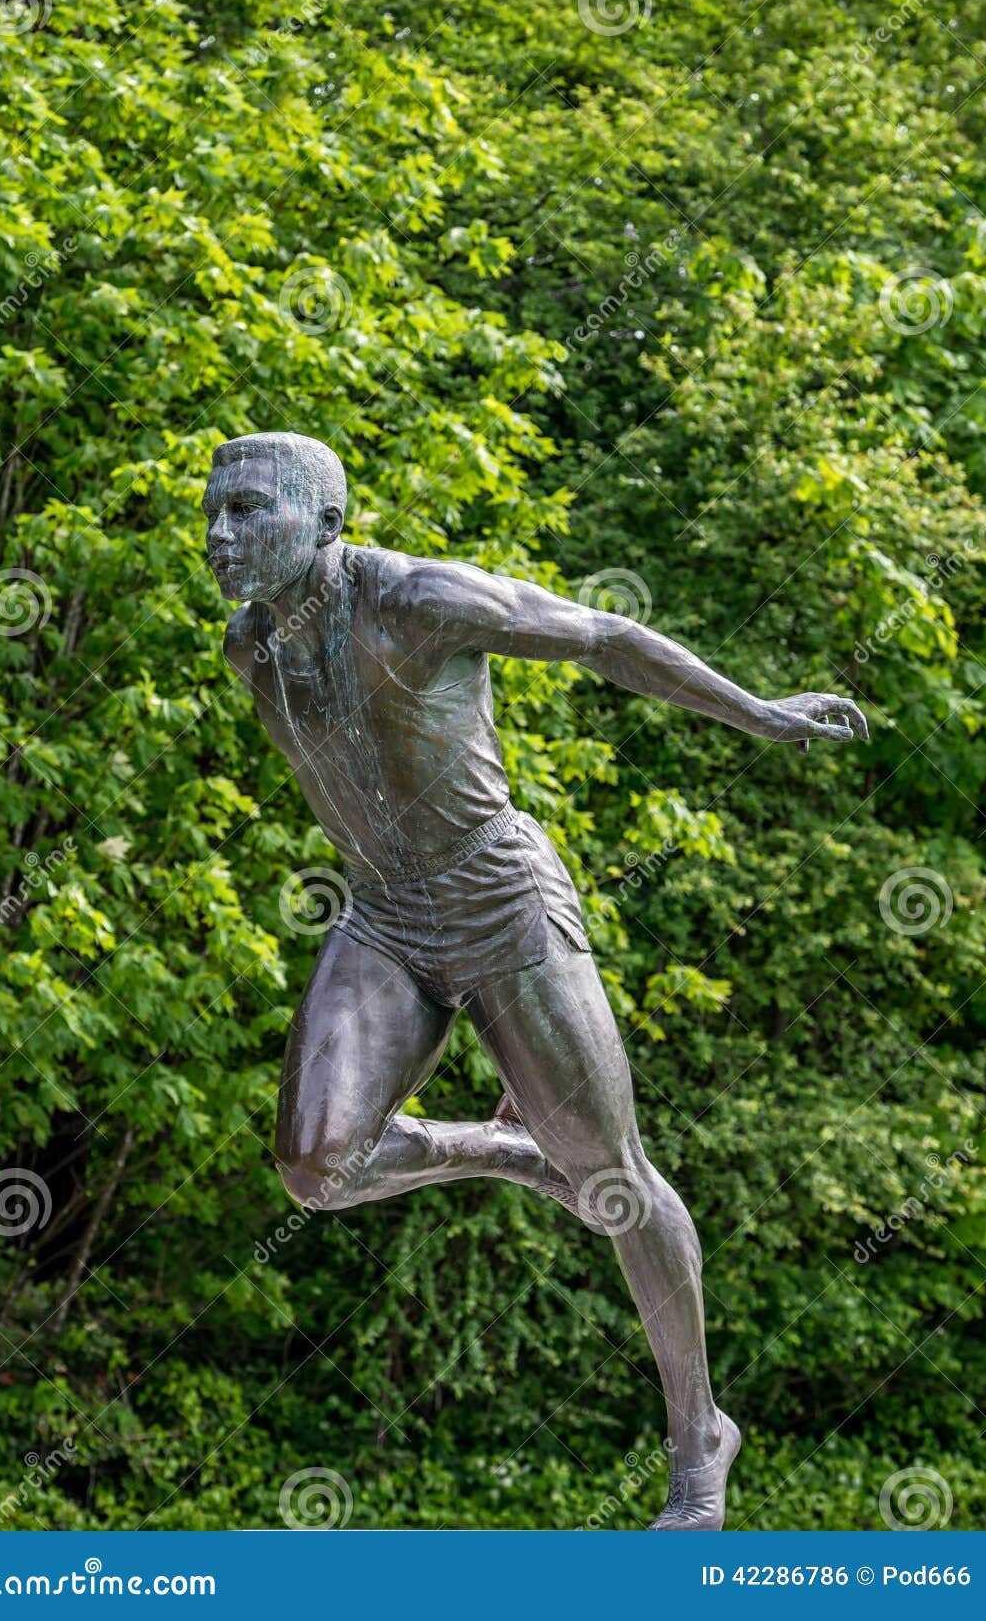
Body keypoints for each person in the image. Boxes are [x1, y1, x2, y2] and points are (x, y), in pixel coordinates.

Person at [204, 430, 868, 1529]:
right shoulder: (250, 648)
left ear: (326, 523)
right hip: (382, 917)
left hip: (499, 899)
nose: (222, 537)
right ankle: (507, 1149)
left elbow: (602, 634)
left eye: (249, 512)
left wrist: (756, 710)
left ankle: (699, 1436)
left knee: (612, 1178)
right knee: (318, 1168)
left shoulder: (419, 598)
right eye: (214, 513)